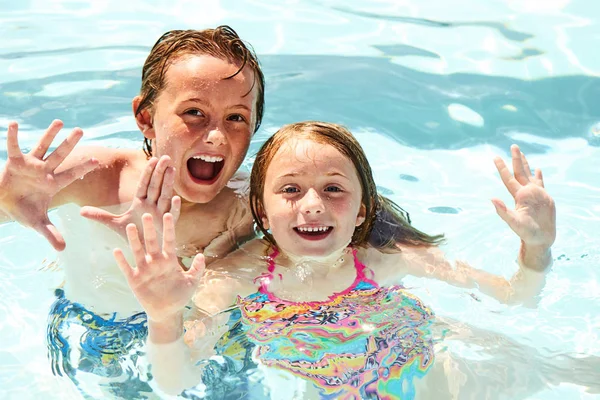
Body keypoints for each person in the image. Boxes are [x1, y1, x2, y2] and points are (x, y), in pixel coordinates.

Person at [114, 121, 556, 397]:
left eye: (333, 189)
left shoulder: (387, 259)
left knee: (551, 371)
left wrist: (535, 249)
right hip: (315, 389)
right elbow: (176, 381)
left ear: (362, 208)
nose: (312, 205)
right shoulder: (235, 279)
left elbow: (516, 299)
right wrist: (163, 315)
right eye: (290, 189)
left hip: (427, 376)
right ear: (262, 211)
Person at [0, 26, 265, 396]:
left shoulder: (253, 199)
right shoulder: (96, 175)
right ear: (145, 116)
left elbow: (361, 218)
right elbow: (13, 199)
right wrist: (4, 200)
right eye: (194, 112)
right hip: (95, 335)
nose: (217, 136)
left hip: (208, 340)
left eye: (236, 117)